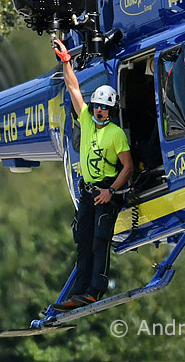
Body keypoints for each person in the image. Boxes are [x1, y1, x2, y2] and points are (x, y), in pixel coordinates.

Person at [51, 39, 133, 311]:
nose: (99, 110)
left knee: (100, 240)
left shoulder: (116, 134)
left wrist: (111, 191)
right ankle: (77, 293)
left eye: (104, 107)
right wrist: (66, 62)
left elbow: (128, 166)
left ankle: (95, 290)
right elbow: (73, 88)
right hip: (87, 191)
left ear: (111, 110)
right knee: (82, 241)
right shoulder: (85, 118)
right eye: (97, 105)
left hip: (106, 191)